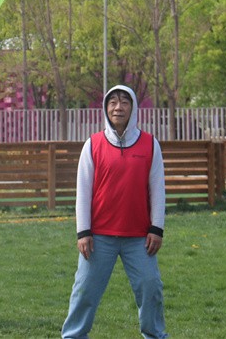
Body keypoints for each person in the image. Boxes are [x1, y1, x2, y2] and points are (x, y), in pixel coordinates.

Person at [61, 84, 168, 339]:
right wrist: (83, 232)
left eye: (124, 102)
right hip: (98, 237)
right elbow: (83, 191)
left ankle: (155, 335)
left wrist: (156, 228)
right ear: (105, 108)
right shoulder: (93, 144)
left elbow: (158, 189)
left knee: (150, 287)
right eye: (113, 102)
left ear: (133, 108)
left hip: (139, 237)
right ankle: (73, 336)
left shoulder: (150, 144)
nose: (118, 107)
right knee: (85, 291)